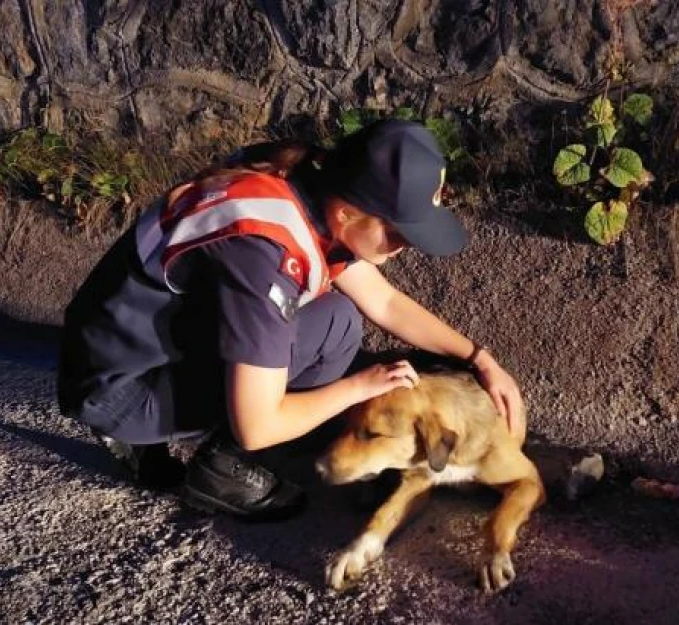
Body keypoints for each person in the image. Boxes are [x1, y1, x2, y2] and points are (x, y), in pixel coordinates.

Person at [56, 119, 525, 522]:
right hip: (117, 388)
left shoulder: (309, 185)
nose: (405, 246)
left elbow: (386, 304)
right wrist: (361, 387)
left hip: (123, 344)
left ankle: (162, 427)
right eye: (399, 232)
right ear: (347, 213)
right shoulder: (266, 251)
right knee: (332, 329)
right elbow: (257, 426)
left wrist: (483, 360)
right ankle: (220, 472)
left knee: (336, 321)